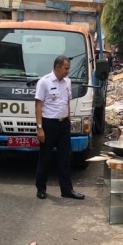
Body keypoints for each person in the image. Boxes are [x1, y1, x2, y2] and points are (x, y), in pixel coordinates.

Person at [35, 56, 84, 200]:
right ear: (57, 67)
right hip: (49, 124)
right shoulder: (44, 82)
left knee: (65, 158)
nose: (68, 72)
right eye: (66, 68)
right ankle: (41, 188)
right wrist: (40, 128)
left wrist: (68, 120)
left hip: (64, 125)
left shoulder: (67, 82)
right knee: (45, 158)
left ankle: (67, 190)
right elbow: (38, 105)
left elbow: (67, 102)